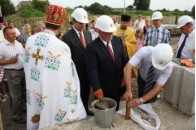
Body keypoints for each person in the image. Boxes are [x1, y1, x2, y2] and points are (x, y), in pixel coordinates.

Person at [24, 5, 86, 129]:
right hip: (49, 90)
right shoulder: (60, 46)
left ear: (46, 21)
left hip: (33, 86)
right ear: (61, 24)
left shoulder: (30, 40)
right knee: (50, 115)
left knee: (35, 112)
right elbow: (67, 75)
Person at [85, 15, 128, 110]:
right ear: (99, 31)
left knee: (116, 109)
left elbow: (125, 60)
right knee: (104, 112)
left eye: (111, 33)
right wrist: (96, 88)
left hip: (118, 85)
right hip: (103, 89)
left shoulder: (118, 41)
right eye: (107, 33)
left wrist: (125, 77)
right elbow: (92, 69)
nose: (110, 36)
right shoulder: (92, 47)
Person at [62, 8, 93, 116]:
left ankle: (85, 109)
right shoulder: (67, 37)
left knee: (86, 92)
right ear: (73, 21)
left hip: (88, 70)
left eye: (85, 23)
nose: (83, 25)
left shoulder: (88, 33)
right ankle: (76, 113)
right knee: (76, 93)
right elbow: (67, 57)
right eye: (80, 23)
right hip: (76, 72)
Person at [0, 26, 26, 123]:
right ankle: (16, 116)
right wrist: (9, 61)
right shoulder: (2, 46)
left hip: (22, 71)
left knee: (22, 93)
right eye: (11, 33)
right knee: (16, 96)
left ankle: (21, 109)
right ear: (5, 35)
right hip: (12, 72)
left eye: (14, 33)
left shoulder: (18, 43)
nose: (14, 35)